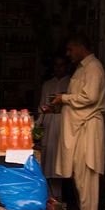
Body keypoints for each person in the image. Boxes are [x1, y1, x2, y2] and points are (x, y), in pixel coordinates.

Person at [51, 34, 105, 210]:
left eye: (70, 49)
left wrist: (64, 98)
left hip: (87, 128)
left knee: (87, 173)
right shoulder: (82, 68)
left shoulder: (93, 68)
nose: (68, 54)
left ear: (79, 46)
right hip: (78, 127)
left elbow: (89, 97)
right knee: (78, 173)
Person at [37, 56, 71, 199]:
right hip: (49, 124)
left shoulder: (71, 83)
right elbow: (41, 107)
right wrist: (36, 126)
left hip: (65, 124)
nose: (58, 68)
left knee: (62, 160)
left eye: (61, 65)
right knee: (47, 159)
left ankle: (60, 198)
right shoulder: (47, 84)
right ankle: (50, 198)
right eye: (56, 65)